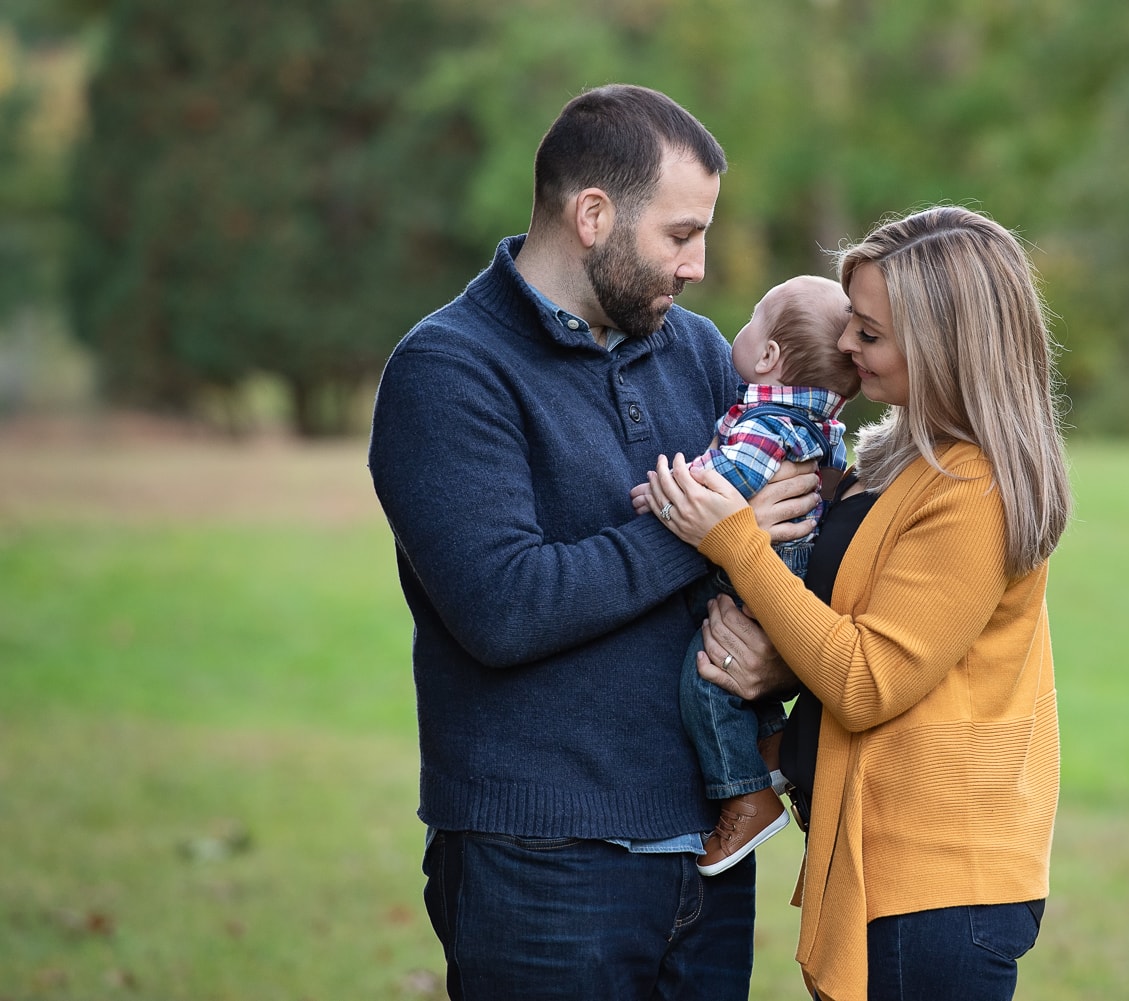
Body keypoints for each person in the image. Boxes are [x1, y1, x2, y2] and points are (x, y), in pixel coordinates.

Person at [367, 83, 821, 1001]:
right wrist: (710, 534)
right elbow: (504, 605)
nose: (698, 265)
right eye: (681, 234)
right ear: (593, 214)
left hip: (709, 854)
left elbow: (767, 553)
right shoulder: (448, 371)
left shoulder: (697, 353)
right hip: (542, 861)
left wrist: (778, 654)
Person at [642, 205, 1073, 1001]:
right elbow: (850, 634)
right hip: (882, 862)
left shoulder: (973, 490)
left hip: (937, 883)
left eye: (868, 334)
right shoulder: (899, 458)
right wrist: (773, 669)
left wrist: (734, 538)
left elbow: (868, 680)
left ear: (946, 345)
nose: (843, 347)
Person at [633, 275, 860, 877]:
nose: (742, 322)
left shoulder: (767, 421)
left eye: (755, 315)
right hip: (797, 570)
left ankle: (745, 796)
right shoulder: (823, 425)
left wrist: (661, 496)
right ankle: (770, 746)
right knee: (736, 658)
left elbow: (723, 487)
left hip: (766, 562)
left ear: (768, 357)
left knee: (708, 675)